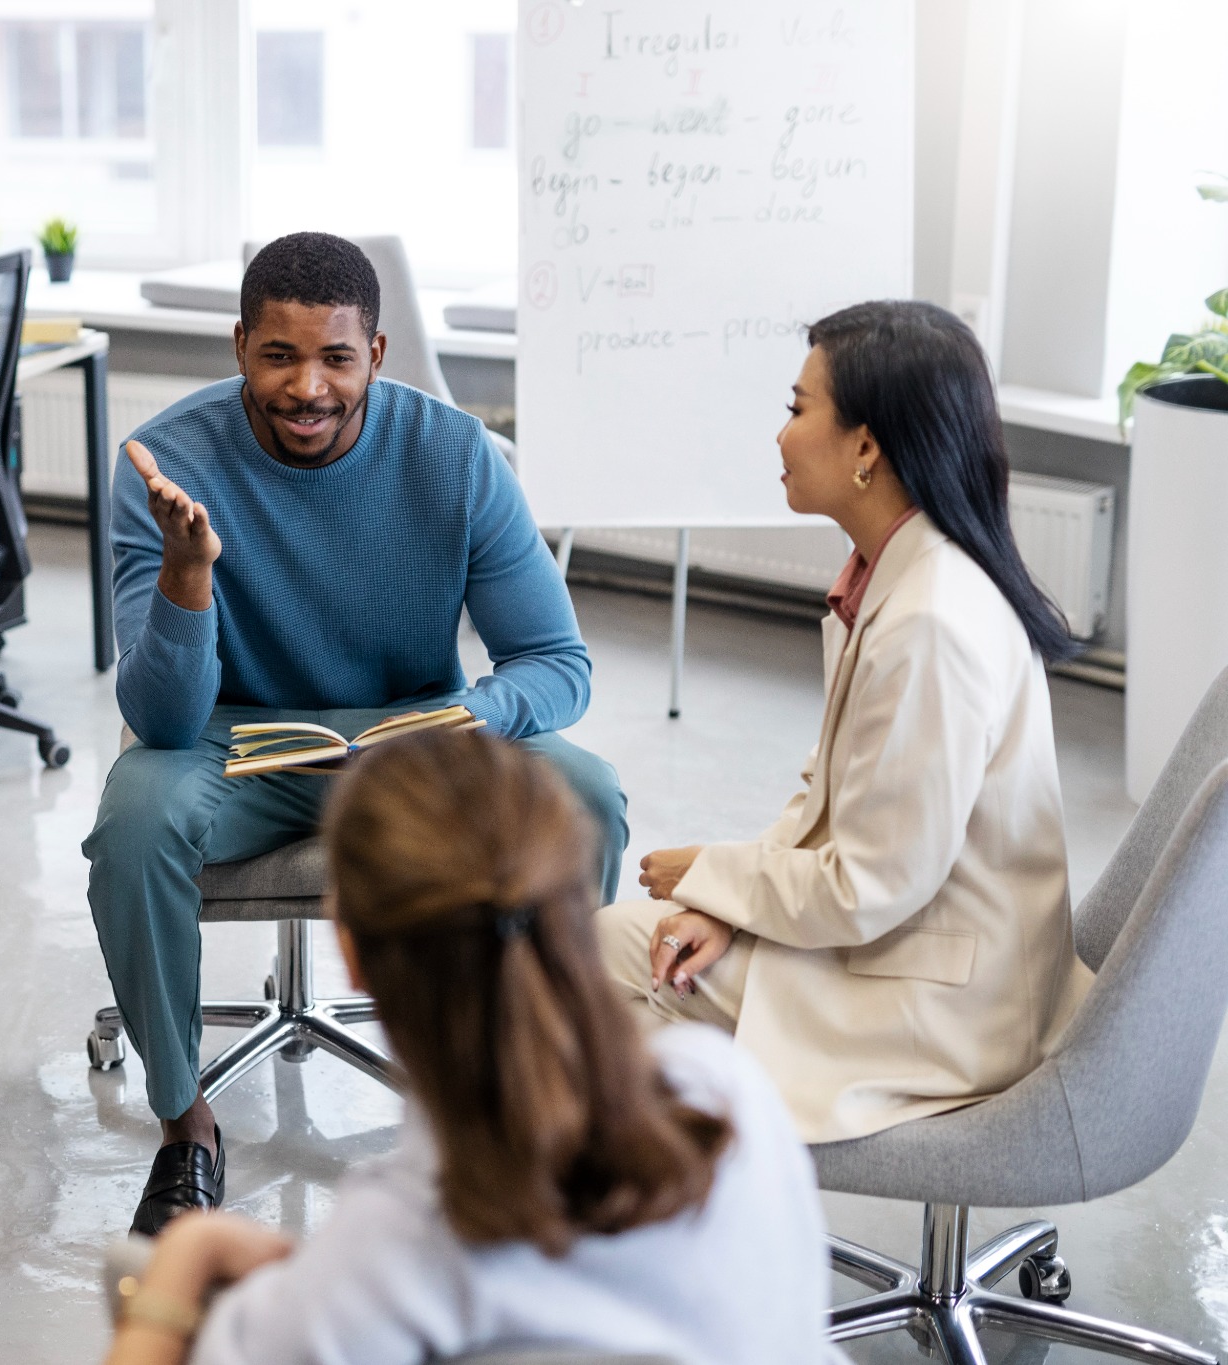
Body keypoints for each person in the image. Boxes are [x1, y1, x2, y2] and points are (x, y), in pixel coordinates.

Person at [85, 232, 628, 1235]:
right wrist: (188, 576)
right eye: (277, 356)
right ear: (238, 345)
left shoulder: (456, 457)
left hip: (418, 744)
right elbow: (158, 721)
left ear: (375, 352)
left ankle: (536, 1094)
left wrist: (469, 715)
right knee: (135, 820)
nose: (306, 388)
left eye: (334, 358)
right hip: (236, 744)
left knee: (583, 796)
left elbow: (556, 665)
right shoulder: (162, 467)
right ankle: (184, 1124)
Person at [99, 729, 830, 1365]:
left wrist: (185, 1260)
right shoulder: (730, 1096)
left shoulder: (392, 1249)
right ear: (574, 900)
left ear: (349, 948)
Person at [596, 300, 1095, 1144]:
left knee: (600, 957)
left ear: (865, 446)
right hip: (929, 946)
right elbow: (831, 805)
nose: (780, 435)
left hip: (947, 998)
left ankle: (671, 1220)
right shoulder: (900, 573)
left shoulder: (930, 623)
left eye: (797, 409)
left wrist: (714, 878)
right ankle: (679, 1211)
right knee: (643, 956)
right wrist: (732, 904)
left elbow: (871, 886)